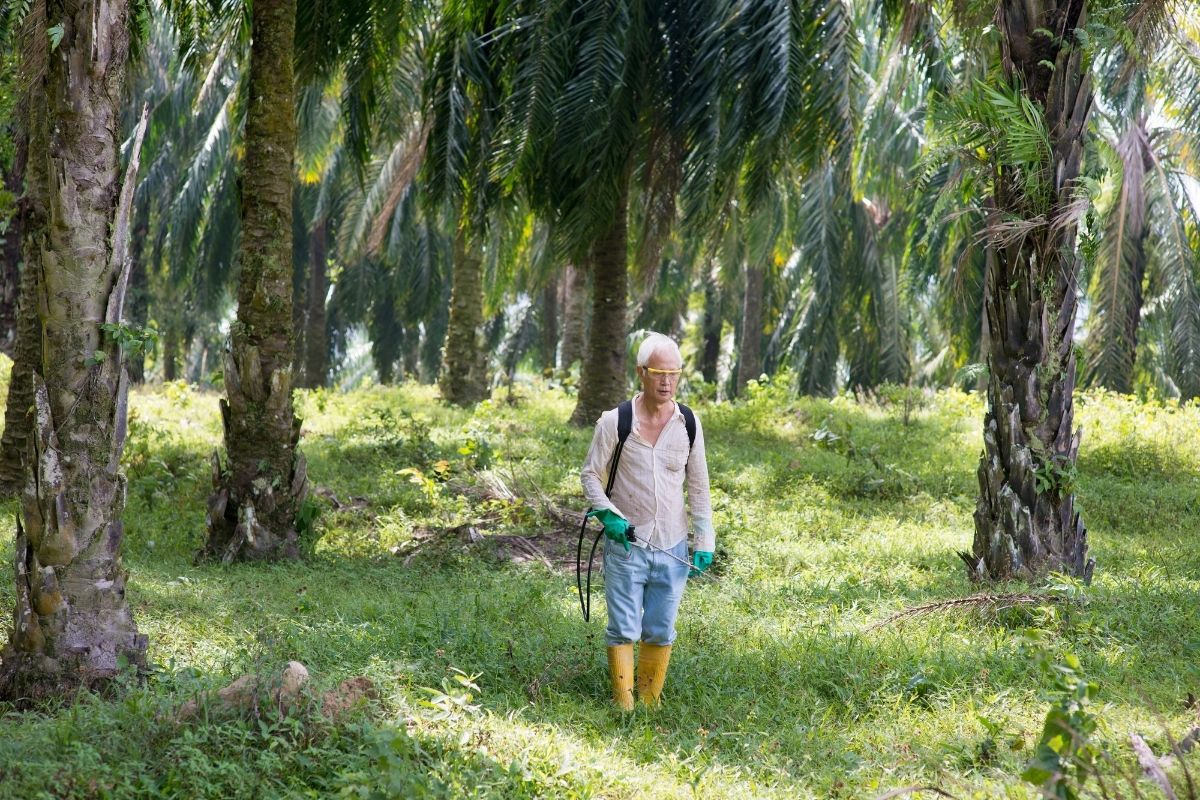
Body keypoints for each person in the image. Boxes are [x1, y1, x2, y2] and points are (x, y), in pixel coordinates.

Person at [580, 332, 715, 710]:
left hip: (672, 546)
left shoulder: (688, 422)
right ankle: (624, 709)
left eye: (674, 373)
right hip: (627, 545)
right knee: (623, 627)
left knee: (660, 628)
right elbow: (590, 474)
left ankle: (649, 706)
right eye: (659, 372)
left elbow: (699, 484)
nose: (667, 382)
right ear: (641, 372)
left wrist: (704, 541)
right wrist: (608, 514)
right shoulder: (615, 422)